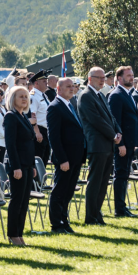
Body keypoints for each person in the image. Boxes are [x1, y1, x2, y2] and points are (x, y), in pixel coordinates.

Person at [78, 67, 120, 222]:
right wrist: (113, 134)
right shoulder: (86, 96)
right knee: (95, 181)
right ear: (90, 79)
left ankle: (97, 213)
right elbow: (96, 120)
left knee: (103, 182)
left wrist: (118, 130)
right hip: (97, 144)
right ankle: (90, 215)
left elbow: (111, 117)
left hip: (107, 144)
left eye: (104, 77)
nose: (103, 80)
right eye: (99, 77)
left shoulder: (100, 95)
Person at [46, 77, 85, 231]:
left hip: (75, 156)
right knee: (60, 190)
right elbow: (54, 137)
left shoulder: (70, 105)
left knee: (68, 191)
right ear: (59, 89)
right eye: (68, 86)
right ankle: (56, 223)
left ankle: (64, 220)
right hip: (65, 158)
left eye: (73, 86)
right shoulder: (55, 107)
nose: (71, 88)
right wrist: (62, 159)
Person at [2, 85, 35, 246]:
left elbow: (29, 143)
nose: (24, 98)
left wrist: (33, 165)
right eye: (20, 96)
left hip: (27, 164)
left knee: (24, 200)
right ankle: (13, 234)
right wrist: (16, 167)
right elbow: (11, 144)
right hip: (17, 165)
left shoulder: (23, 116)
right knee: (17, 200)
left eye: (26, 96)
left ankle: (19, 233)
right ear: (12, 99)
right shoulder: (11, 116)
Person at [107, 66, 138, 216]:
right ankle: (119, 209)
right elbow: (116, 122)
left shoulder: (128, 94)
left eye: (132, 75)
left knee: (125, 174)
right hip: (122, 144)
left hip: (130, 143)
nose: (131, 78)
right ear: (119, 78)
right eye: (128, 75)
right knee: (120, 174)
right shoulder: (116, 95)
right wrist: (120, 144)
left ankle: (123, 206)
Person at [29, 71, 51, 165]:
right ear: (36, 83)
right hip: (39, 130)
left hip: (46, 131)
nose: (46, 83)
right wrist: (37, 132)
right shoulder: (33, 96)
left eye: (46, 81)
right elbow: (32, 115)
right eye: (44, 81)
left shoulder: (43, 95)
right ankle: (36, 179)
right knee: (38, 160)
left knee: (44, 159)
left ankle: (41, 179)